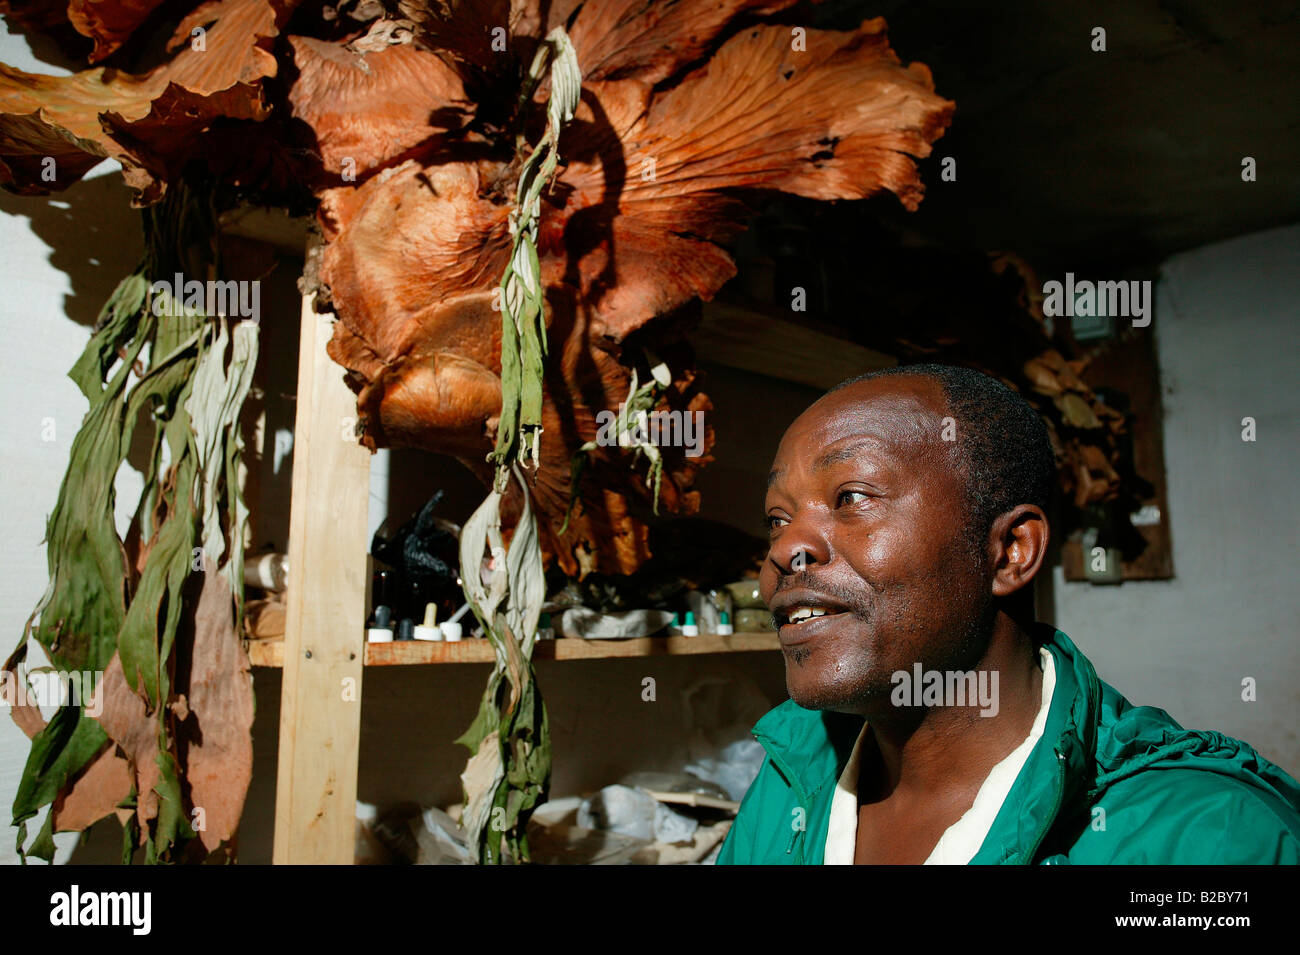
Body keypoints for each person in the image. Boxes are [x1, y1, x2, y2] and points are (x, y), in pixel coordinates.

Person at [717, 364, 1300, 864]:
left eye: (852, 497)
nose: (784, 549)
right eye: (776, 518)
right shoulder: (788, 789)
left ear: (1009, 551)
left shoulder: (1207, 836)